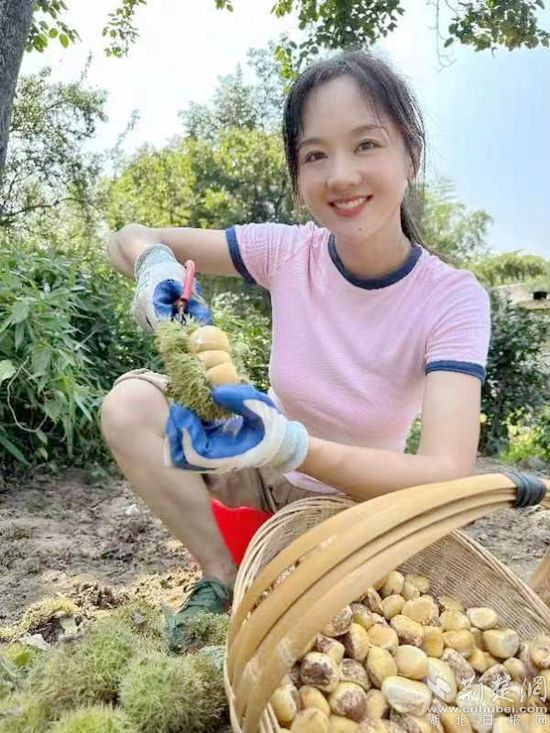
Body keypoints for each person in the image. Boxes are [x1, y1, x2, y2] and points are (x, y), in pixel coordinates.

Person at [101, 50, 491, 650]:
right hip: (259, 469)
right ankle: (220, 573)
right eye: (315, 155)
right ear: (298, 175)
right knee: (130, 405)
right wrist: (153, 265)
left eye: (366, 144)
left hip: (357, 508)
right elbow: (126, 238)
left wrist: (296, 444)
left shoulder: (452, 298)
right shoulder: (288, 251)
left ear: (411, 155)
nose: (341, 175)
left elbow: (446, 473)